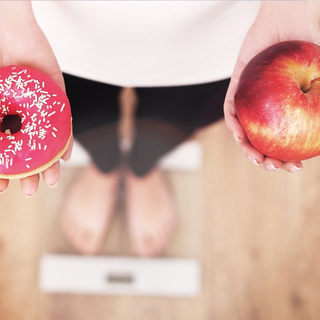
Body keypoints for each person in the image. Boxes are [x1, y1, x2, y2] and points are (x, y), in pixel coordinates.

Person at [0, 1, 318, 256]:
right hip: (53, 21)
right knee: (72, 108)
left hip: (220, 25)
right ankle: (105, 165)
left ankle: (143, 166)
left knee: (180, 111)